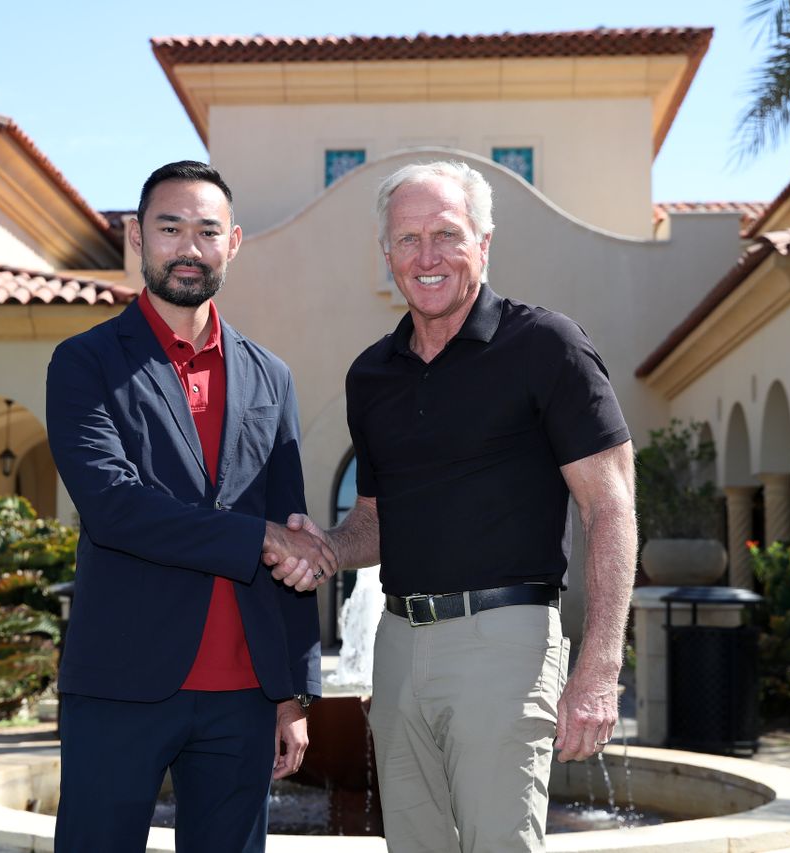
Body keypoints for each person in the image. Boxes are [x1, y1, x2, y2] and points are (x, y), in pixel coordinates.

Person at [266, 161, 637, 852]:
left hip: (508, 641)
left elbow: (610, 508)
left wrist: (600, 668)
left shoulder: (547, 345)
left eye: (446, 234)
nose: (426, 256)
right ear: (387, 254)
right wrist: (323, 549)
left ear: (484, 242)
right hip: (399, 647)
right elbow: (376, 519)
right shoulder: (370, 375)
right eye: (408, 239)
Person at [46, 160, 334, 853]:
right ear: (136, 238)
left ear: (233, 243)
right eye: (170, 228)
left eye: (208, 231)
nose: (189, 247)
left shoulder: (272, 375)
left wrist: (290, 693)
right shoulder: (85, 362)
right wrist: (259, 538)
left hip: (243, 698)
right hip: (121, 684)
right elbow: (114, 507)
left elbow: (290, 524)